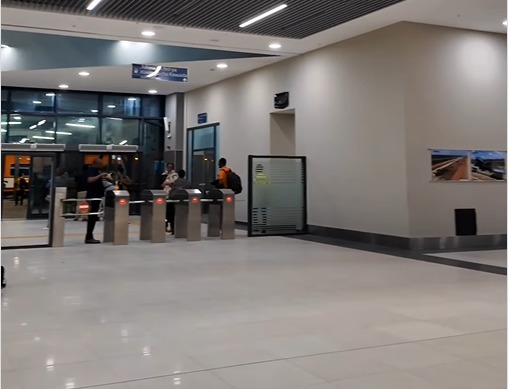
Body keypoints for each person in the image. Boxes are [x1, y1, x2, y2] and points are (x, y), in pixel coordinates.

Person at [85, 159, 110, 244]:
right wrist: (100, 176)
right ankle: (89, 236)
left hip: (98, 196)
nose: (102, 165)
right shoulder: (91, 170)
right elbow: (90, 180)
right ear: (96, 164)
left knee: (94, 216)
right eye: (101, 164)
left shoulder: (97, 171)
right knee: (92, 216)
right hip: (93, 196)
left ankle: (90, 235)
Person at [167, 170, 192, 234]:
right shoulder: (187, 182)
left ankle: (173, 229)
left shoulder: (176, 181)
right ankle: (184, 228)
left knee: (172, 215)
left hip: (175, 200)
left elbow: (172, 190)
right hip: (185, 201)